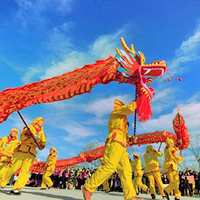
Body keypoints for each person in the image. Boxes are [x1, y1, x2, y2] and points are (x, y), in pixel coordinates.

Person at [82, 99, 142, 200]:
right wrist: (139, 100)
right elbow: (130, 108)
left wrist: (131, 139)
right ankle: (88, 187)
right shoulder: (116, 112)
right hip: (115, 141)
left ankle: (130, 196)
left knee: (126, 171)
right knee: (110, 166)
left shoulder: (123, 123)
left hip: (122, 145)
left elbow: (127, 137)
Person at [0, 117, 46, 195]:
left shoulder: (42, 132)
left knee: (25, 171)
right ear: (37, 121)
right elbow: (22, 138)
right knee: (13, 168)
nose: (42, 123)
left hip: (31, 153)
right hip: (22, 150)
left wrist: (42, 146)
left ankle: (16, 188)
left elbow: (43, 142)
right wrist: (27, 133)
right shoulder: (29, 127)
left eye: (43, 122)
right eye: (41, 121)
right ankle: (2, 182)